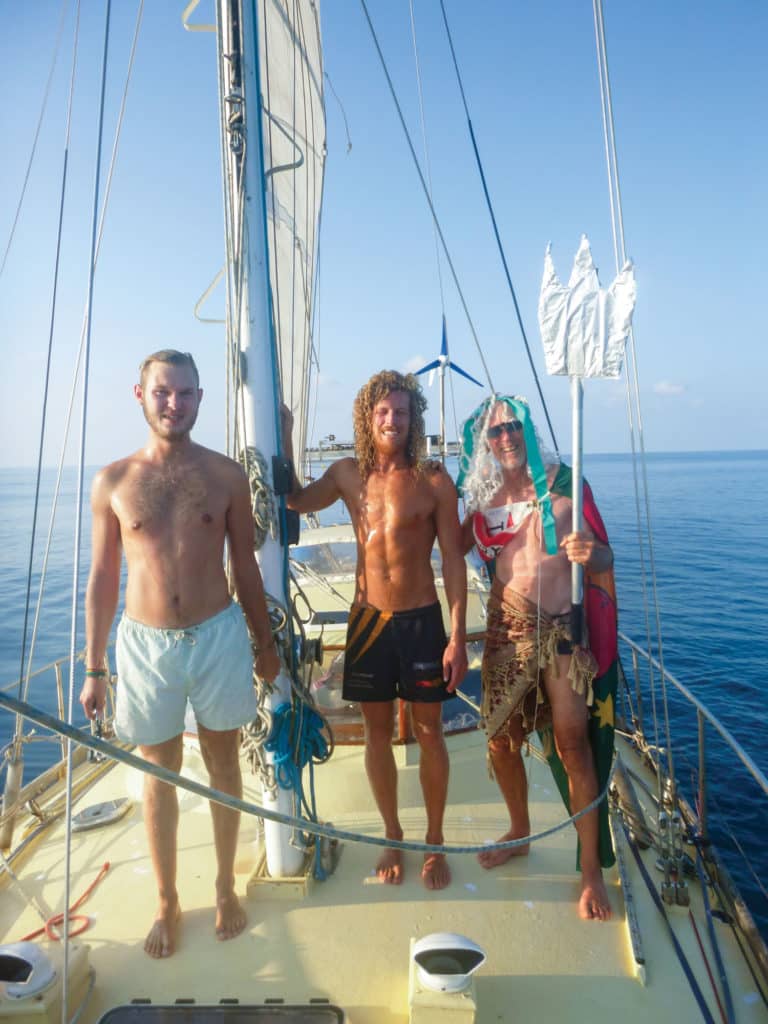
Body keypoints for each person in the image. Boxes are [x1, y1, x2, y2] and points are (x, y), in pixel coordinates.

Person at [80, 349, 281, 958]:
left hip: (218, 634)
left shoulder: (225, 477)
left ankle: (223, 885)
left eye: (186, 393)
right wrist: (94, 668)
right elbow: (101, 576)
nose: (175, 404)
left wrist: (264, 644)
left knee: (225, 767)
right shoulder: (113, 481)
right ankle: (167, 898)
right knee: (156, 777)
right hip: (143, 645)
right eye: (163, 392)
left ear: (201, 398)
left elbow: (244, 565)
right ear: (139, 395)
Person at [283, 370, 468, 889]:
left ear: (414, 420)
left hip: (421, 622)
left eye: (402, 412)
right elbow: (296, 500)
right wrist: (286, 432)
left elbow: (453, 559)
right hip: (368, 622)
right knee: (377, 735)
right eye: (383, 411)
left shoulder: (433, 480)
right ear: (368, 417)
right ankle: (392, 833)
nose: (392, 420)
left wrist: (456, 636)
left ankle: (434, 842)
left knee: (430, 733)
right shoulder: (348, 475)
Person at [458, 394, 616, 920]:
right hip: (506, 631)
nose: (505, 438)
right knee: (501, 742)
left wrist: (593, 554)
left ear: (527, 431)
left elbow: (605, 555)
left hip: (563, 637)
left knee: (573, 747)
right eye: (495, 431)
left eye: (512, 427)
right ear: (485, 441)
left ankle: (590, 871)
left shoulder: (563, 487)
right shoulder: (483, 502)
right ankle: (519, 831)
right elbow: (444, 541)